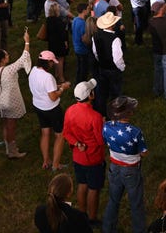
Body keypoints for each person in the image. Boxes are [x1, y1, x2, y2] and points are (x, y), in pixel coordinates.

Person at [62, 79, 105, 228]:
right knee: (94, 188)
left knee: (82, 184)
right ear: (91, 95)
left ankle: (81, 214)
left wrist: (78, 144)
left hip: (77, 157)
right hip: (93, 158)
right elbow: (100, 141)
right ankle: (92, 219)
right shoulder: (95, 117)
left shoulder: (69, 111)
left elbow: (66, 133)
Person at [103, 96, 148, 233]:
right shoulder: (135, 132)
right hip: (131, 170)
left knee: (113, 200)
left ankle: (108, 229)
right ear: (129, 113)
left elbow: (106, 142)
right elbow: (144, 152)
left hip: (114, 168)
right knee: (136, 204)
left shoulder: (106, 126)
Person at [0, 29, 31, 159]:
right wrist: (27, 42)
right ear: (2, 60)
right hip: (11, 101)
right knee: (11, 126)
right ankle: (12, 151)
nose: (8, 56)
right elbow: (23, 58)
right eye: (6, 56)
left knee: (6, 125)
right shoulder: (8, 71)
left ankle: (8, 147)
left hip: (1, 100)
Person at [29, 50, 71, 170]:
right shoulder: (48, 77)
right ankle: (56, 165)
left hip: (38, 106)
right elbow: (52, 97)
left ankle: (46, 161)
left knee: (45, 132)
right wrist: (62, 89)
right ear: (47, 62)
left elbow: (45, 88)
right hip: (52, 109)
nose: (53, 64)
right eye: (52, 62)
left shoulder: (33, 70)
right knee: (60, 135)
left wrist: (59, 86)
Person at [92, 12, 126, 116]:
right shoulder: (115, 39)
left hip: (102, 67)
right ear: (112, 25)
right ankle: (115, 113)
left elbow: (95, 52)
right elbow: (117, 59)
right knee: (115, 92)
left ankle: (101, 113)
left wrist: (101, 61)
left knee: (103, 92)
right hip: (114, 70)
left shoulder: (95, 36)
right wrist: (122, 67)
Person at [46, 3, 69, 83]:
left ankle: (56, 74)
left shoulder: (48, 20)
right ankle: (61, 77)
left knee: (54, 59)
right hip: (59, 43)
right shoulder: (59, 21)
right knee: (60, 60)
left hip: (52, 43)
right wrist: (65, 42)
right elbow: (63, 34)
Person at [72, 3, 92, 85]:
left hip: (76, 48)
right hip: (83, 50)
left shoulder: (75, 19)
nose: (89, 10)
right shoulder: (82, 23)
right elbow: (84, 38)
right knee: (84, 69)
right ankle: (82, 85)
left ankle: (77, 82)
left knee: (79, 67)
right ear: (84, 11)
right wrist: (90, 43)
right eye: (87, 9)